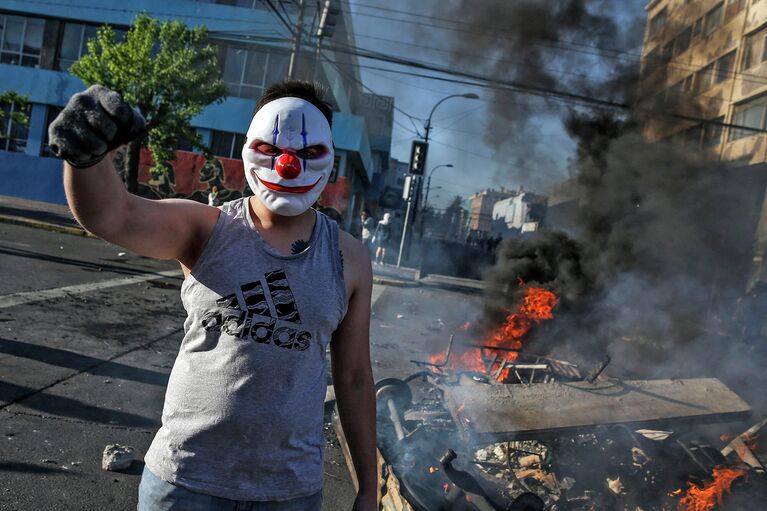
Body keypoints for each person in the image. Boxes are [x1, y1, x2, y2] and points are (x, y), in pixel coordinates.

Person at [48, 81, 377, 510]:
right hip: (186, 482)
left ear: (330, 158)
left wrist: (369, 489)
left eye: (309, 153)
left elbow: (353, 378)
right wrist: (85, 157)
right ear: (248, 147)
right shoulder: (207, 228)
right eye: (271, 149)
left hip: (289, 493)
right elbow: (113, 215)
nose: (288, 166)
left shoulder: (348, 258)